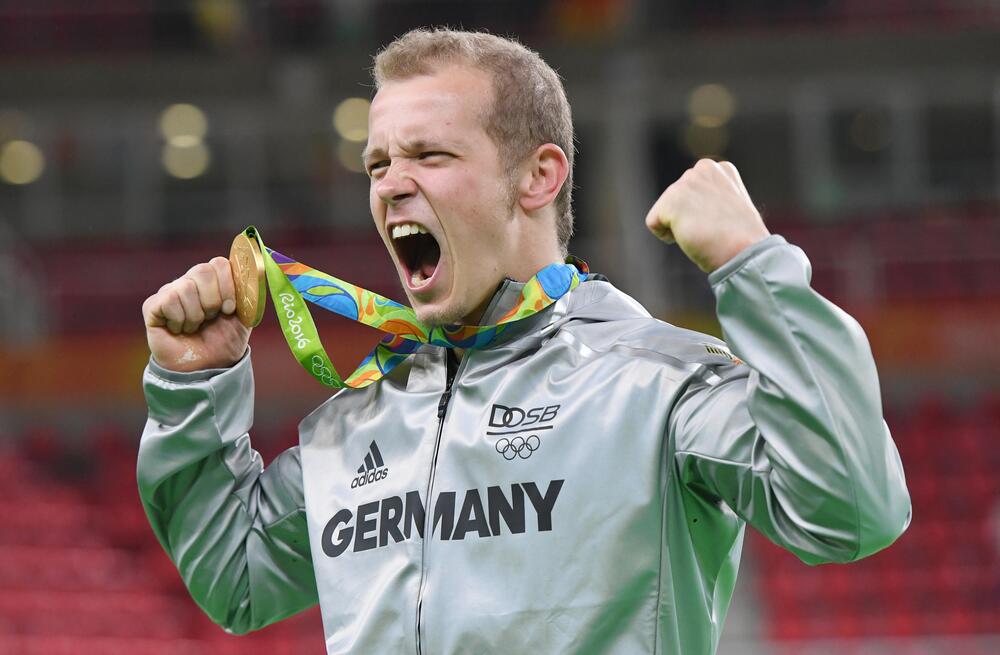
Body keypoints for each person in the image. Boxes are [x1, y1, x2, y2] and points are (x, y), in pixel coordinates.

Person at [138, 28, 911, 655]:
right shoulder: (357, 419)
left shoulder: (655, 384)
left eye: (430, 155)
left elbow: (853, 508)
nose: (390, 183)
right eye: (378, 162)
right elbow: (236, 577)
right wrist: (193, 386)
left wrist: (754, 265)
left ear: (538, 178)